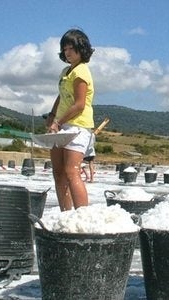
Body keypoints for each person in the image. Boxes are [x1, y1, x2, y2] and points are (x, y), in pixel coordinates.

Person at [45, 28, 96, 211]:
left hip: (78, 125)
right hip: (61, 124)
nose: (67, 53)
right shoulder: (66, 72)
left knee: (71, 171)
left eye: (71, 49)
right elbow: (61, 96)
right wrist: (52, 116)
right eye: (64, 49)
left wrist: (57, 123)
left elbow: (79, 104)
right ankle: (65, 214)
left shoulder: (81, 71)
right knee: (58, 172)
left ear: (81, 49)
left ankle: (82, 215)